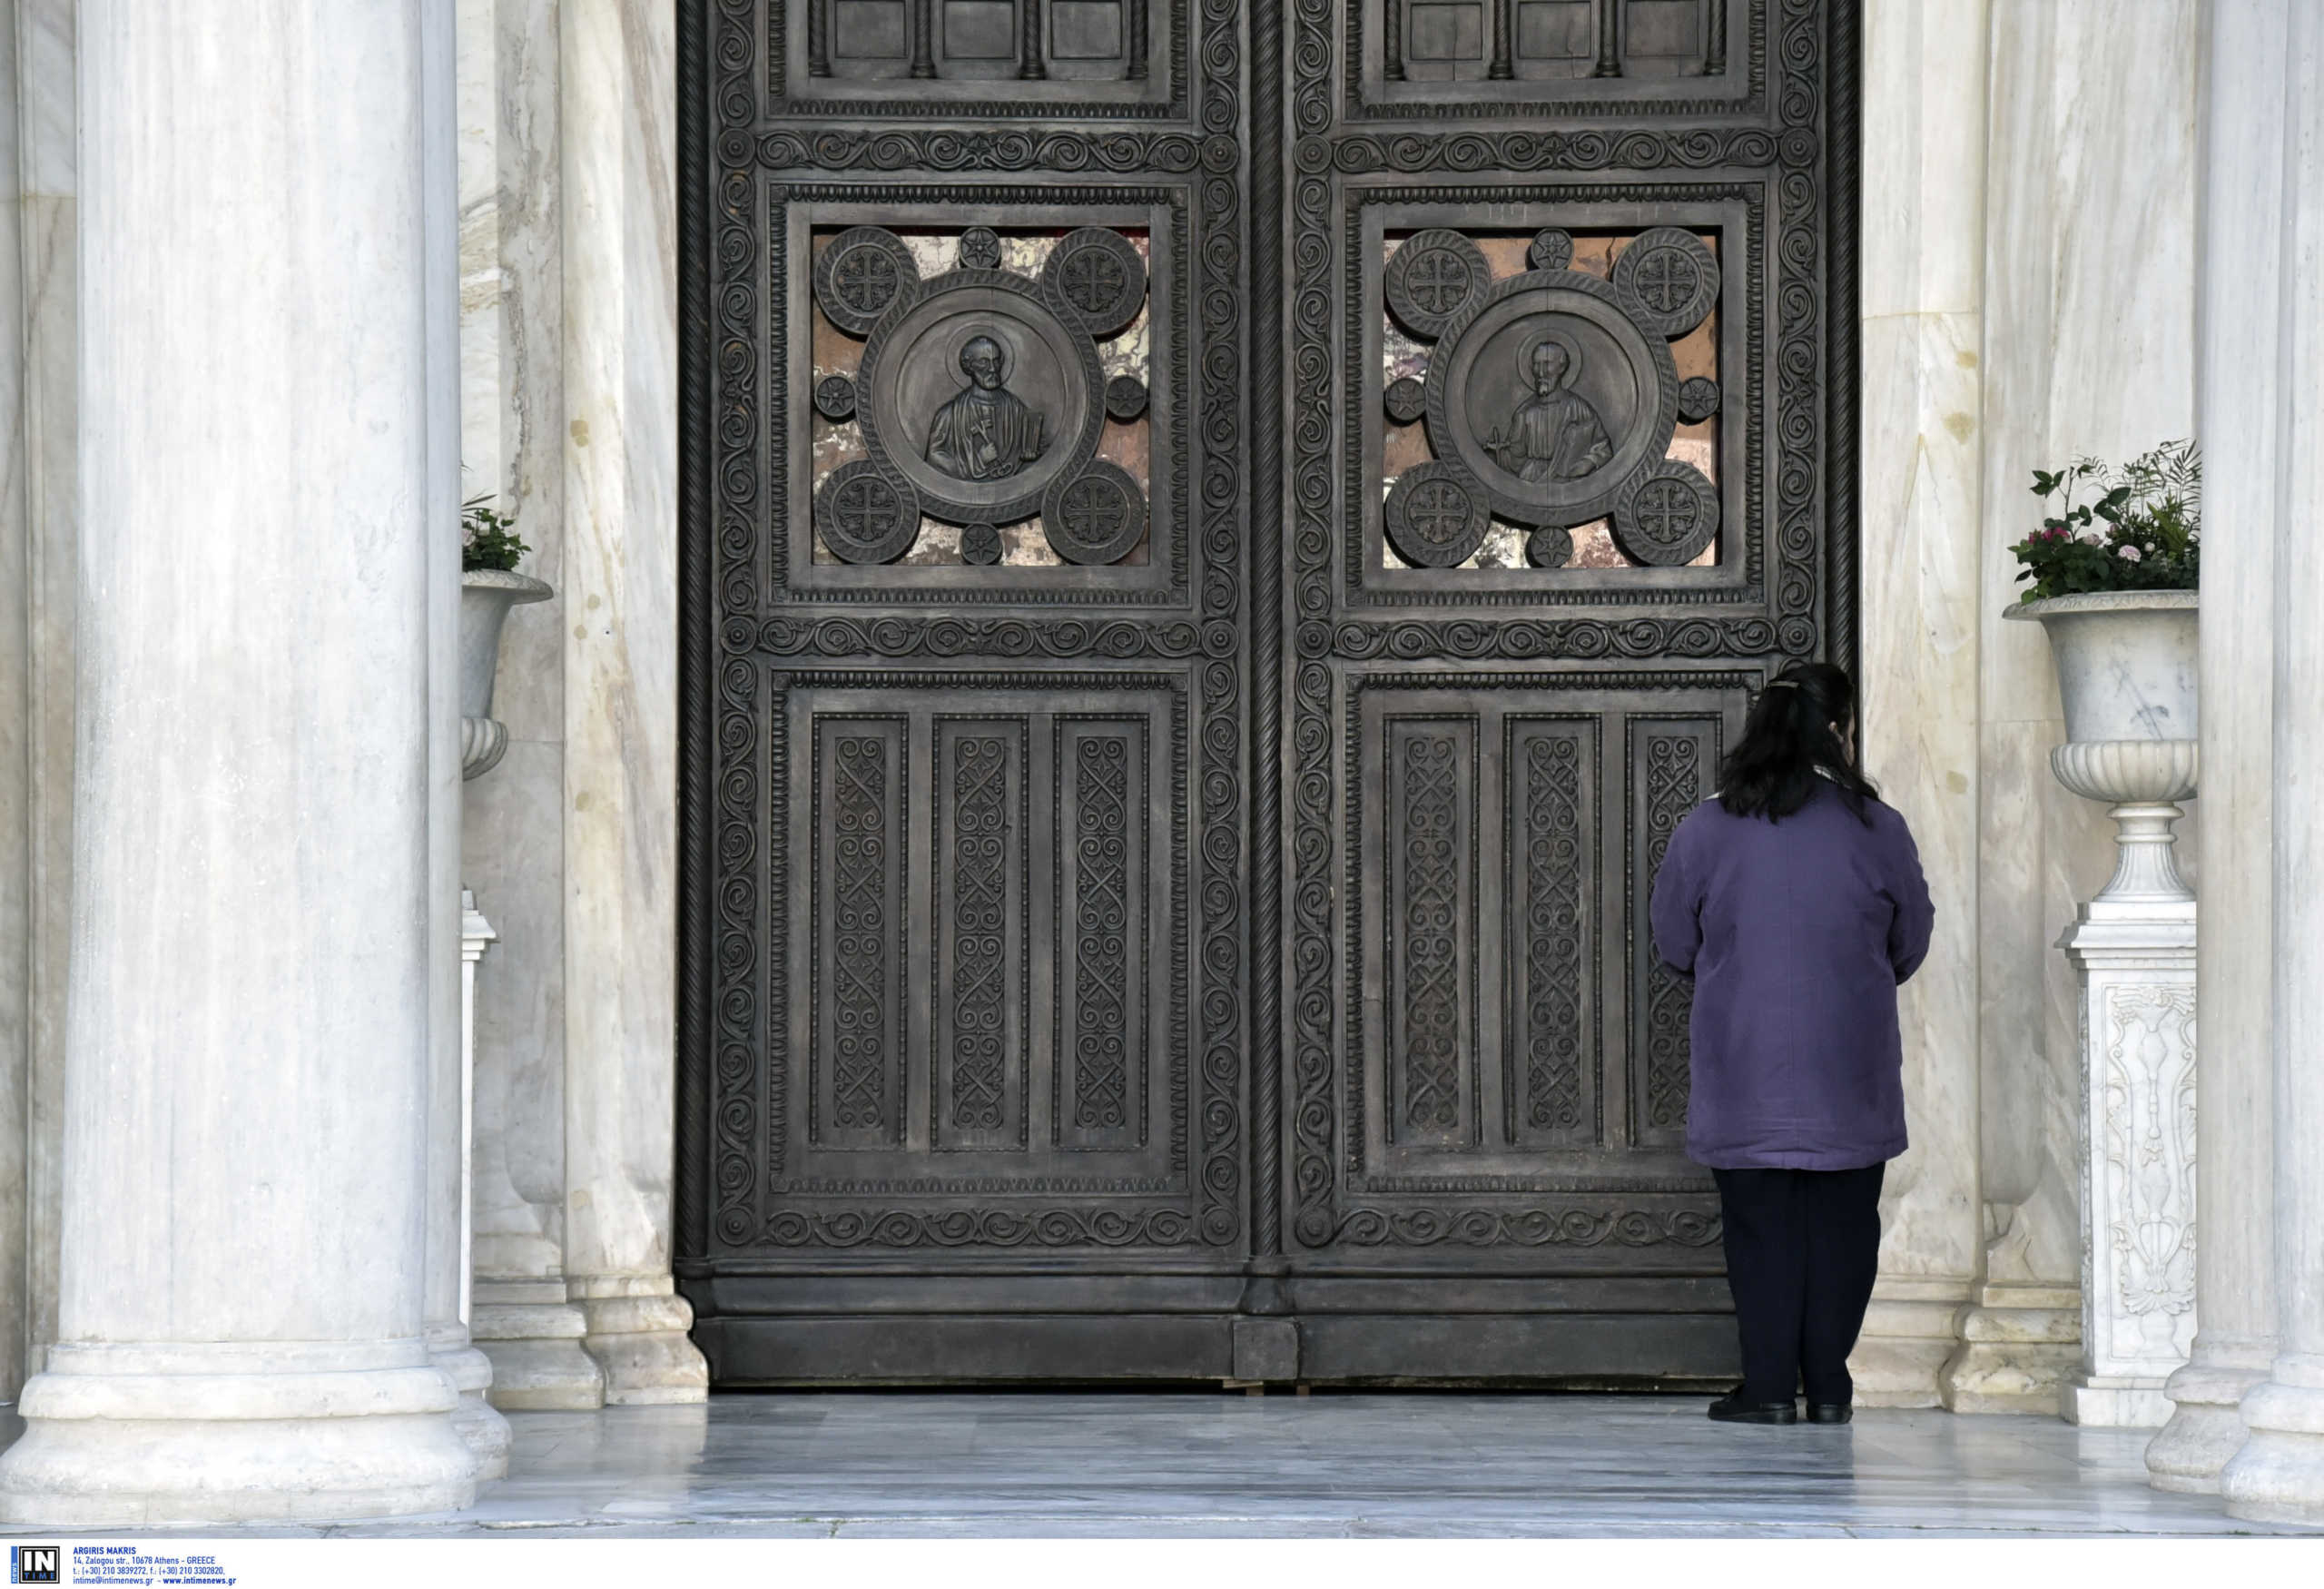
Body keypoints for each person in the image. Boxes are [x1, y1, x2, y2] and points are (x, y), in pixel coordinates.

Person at [1649, 661, 1934, 1426]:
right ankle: (1831, 1389)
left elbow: (1673, 941)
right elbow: (1911, 941)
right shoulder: (1879, 826)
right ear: (1839, 731)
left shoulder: (1705, 826)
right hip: (1851, 1063)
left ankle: (1770, 1388)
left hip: (1745, 1064)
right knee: (1844, 1229)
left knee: (1760, 1231)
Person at [925, 333, 1046, 481]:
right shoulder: (949, 414)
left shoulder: (1016, 408)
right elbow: (934, 458)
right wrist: (979, 460)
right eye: (983, 362)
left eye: (995, 361)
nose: (992, 369)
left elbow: (1039, 446)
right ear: (968, 366)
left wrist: (1031, 452)